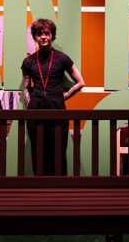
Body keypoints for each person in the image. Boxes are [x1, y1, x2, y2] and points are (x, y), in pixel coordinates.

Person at [21, 19, 85, 175]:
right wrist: (31, 103)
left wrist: (64, 97)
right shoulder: (28, 62)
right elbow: (24, 88)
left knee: (58, 152)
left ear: (52, 36)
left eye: (47, 33)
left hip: (57, 112)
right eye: (39, 34)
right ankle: (40, 190)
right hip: (35, 114)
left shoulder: (62, 58)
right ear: (35, 37)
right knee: (38, 152)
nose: (43, 37)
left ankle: (59, 190)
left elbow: (81, 82)